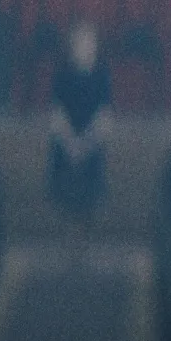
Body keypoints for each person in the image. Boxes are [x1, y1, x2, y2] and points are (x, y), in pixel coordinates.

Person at [46, 20, 112, 222]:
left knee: (101, 136)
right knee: (58, 137)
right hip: (67, 135)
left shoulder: (103, 75)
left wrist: (84, 144)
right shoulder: (61, 75)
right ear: (71, 47)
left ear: (95, 46)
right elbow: (57, 115)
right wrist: (71, 143)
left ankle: (91, 197)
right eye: (79, 43)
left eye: (88, 42)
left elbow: (104, 117)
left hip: (91, 137)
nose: (84, 47)